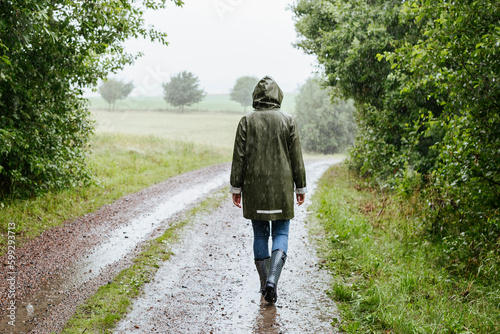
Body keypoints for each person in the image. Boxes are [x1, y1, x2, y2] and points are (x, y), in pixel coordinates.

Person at [230, 75, 307, 304]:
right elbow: (297, 158)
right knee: (281, 233)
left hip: (254, 189)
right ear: (277, 96)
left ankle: (265, 286)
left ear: (256, 96)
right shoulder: (288, 121)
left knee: (260, 234)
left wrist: (236, 187)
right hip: (282, 189)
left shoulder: (246, 121)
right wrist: (300, 186)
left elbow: (238, 158)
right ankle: (273, 280)